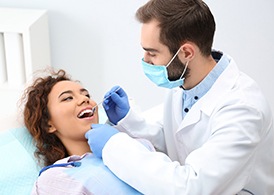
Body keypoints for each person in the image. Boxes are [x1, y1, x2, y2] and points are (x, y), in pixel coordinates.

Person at [85, 0, 274, 194]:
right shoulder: (184, 85)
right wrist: (128, 121)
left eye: (152, 52)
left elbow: (190, 187)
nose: (145, 60)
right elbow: (175, 141)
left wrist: (113, 146)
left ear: (186, 52)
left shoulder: (243, 108)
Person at [22, 69, 143, 195]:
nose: (84, 100)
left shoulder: (131, 145)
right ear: (48, 124)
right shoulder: (55, 179)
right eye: (68, 98)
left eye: (87, 95)